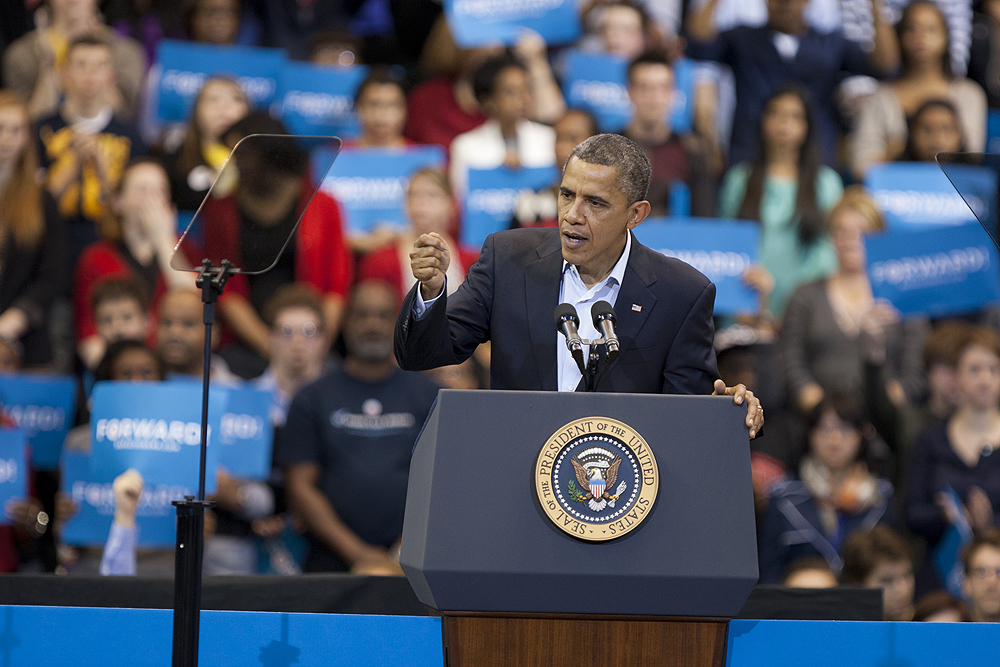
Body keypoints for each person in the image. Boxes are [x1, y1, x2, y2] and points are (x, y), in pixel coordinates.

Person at [396, 133, 764, 435]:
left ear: (635, 214)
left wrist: (729, 412)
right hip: (516, 478)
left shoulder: (681, 293)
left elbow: (690, 420)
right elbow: (421, 354)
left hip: (622, 499)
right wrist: (430, 292)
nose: (572, 215)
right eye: (567, 195)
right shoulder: (507, 258)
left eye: (595, 203)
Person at [277, 280, 440, 573]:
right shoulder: (312, 397)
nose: (372, 325)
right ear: (346, 322)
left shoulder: (427, 396)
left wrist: (401, 552)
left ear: (397, 322)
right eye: (362, 315)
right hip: (330, 564)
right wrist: (360, 555)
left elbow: (443, 482)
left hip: (413, 564)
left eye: (382, 315)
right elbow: (300, 486)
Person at [204, 114, 351, 374]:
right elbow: (227, 292)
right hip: (249, 343)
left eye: (243, 154)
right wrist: (269, 346)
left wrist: (312, 345)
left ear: (270, 154)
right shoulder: (220, 211)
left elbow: (337, 285)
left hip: (313, 341)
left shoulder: (324, 205)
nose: (235, 164)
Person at [684, 0, 899, 167]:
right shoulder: (742, 38)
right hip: (750, 156)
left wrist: (875, 5)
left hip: (815, 159)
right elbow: (698, 44)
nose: (784, 4)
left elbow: (885, 66)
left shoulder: (831, 43)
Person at [780, 188, 926, 416]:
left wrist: (884, 409)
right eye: (842, 231)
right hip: (818, 424)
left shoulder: (903, 297)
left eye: (862, 232)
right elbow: (790, 361)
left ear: (880, 237)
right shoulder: (804, 296)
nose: (851, 240)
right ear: (831, 237)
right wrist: (822, 412)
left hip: (886, 423)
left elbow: (914, 371)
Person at [719, 86, 843, 319]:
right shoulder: (739, 179)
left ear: (808, 127)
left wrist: (795, 295)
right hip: (746, 303)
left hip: (805, 307)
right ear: (763, 121)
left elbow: (829, 249)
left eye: (795, 116)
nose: (783, 123)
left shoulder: (826, 183)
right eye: (775, 113)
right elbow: (727, 247)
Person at [758, 395, 893, 583]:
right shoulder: (783, 497)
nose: (834, 438)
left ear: (862, 435)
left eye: (845, 428)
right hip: (801, 607)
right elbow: (769, 574)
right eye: (823, 428)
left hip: (862, 608)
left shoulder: (881, 497)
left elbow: (892, 569)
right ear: (809, 435)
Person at [73, 159, 192, 368]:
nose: (152, 200)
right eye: (142, 190)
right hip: (118, 367)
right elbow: (88, 334)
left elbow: (194, 307)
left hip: (175, 365)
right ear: (118, 202)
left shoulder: (186, 249)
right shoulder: (96, 257)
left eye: (160, 191)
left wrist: (164, 241)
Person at [35, 36, 145, 260]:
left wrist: (103, 170)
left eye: (99, 66)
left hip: (110, 248)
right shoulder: (39, 131)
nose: (90, 75)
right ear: (63, 73)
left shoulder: (130, 136)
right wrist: (72, 166)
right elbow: (30, 205)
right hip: (48, 248)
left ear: (111, 75)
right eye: (81, 64)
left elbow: (133, 210)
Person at [849, 1, 986, 178]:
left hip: (954, 199)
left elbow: (973, 160)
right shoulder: (880, 98)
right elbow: (860, 168)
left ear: (946, 37)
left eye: (931, 29)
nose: (920, 36)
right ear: (899, 36)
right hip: (893, 196)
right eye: (911, 29)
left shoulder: (969, 95)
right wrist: (893, 153)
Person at [905, 326, 1000, 567]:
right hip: (941, 568)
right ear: (956, 376)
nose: (985, 379)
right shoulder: (930, 440)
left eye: (994, 369)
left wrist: (990, 521)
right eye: (975, 369)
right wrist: (946, 516)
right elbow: (910, 513)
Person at [0, 90, 69, 368]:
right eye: (1, 128)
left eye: (16, 130)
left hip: (27, 340)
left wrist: (18, 316)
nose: (7, 138)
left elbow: (55, 271)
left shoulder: (41, 200)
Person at [2, 0, 146, 120]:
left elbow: (123, 117)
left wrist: (95, 52)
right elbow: (25, 126)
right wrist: (49, 64)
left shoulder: (126, 52)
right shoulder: (22, 54)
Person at [357, 168, 479, 304]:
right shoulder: (380, 260)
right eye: (413, 195)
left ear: (451, 205)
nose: (421, 203)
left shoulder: (472, 261)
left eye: (431, 195)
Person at [621, 50, 715, 217]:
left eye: (662, 88)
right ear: (629, 91)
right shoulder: (609, 147)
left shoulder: (692, 150)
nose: (653, 97)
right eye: (644, 88)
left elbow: (704, 218)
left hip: (678, 241)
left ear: (673, 94)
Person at [448, 53, 557, 197]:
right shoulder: (465, 146)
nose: (523, 98)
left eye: (527, 89)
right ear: (488, 100)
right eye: (511, 92)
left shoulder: (549, 138)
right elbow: (462, 198)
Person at [161, 77, 249, 211]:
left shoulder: (261, 162)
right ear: (196, 110)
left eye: (236, 99)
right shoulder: (175, 161)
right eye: (214, 99)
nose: (224, 107)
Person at [512, 109, 599, 230]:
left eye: (573, 138)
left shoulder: (605, 203)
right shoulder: (531, 203)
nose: (562, 147)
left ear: (595, 145)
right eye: (559, 138)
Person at [155, 288, 238, 382]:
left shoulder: (237, 391)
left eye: (188, 323)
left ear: (213, 332)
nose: (175, 332)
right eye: (167, 322)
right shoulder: (141, 382)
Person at [841, 524, 916, 621]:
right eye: (887, 581)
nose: (903, 590)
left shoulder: (929, 621)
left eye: (907, 575)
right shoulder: (842, 632)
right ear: (858, 585)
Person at [349, 69, 408, 149]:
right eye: (373, 105)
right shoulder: (335, 154)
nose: (381, 114)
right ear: (358, 108)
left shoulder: (421, 155)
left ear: (404, 110)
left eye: (391, 105)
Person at [898, 99, 966, 162]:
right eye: (927, 129)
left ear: (960, 135)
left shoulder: (974, 171)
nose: (937, 138)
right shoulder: (895, 171)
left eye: (946, 129)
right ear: (913, 134)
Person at [961, 528, 1000, 622]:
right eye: (981, 572)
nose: (991, 582)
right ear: (966, 582)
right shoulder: (950, 635)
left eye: (999, 572)